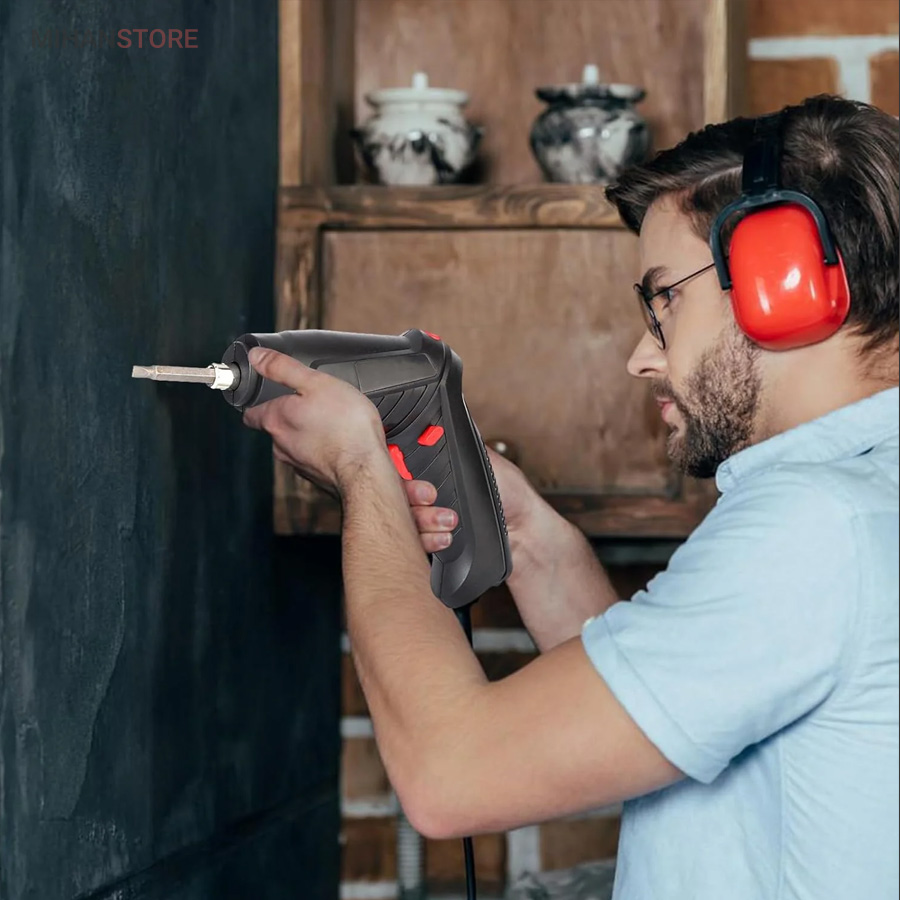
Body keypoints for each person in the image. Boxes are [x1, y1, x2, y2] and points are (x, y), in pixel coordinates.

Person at [242, 95, 899, 900]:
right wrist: (518, 527)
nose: (642, 357)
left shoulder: (817, 526)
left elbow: (451, 775)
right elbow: (651, 702)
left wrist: (359, 470)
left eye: (665, 299)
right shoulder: (863, 499)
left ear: (780, 279)